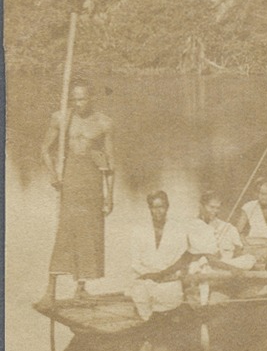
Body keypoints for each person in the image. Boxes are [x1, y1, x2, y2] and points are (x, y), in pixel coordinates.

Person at [41, 79, 114, 301]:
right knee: (65, 233)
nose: (78, 103)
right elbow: (45, 149)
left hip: (92, 184)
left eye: (82, 98)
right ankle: (50, 290)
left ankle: (80, 287)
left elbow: (110, 163)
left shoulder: (104, 123)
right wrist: (54, 174)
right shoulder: (61, 118)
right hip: (70, 182)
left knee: (89, 234)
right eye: (74, 98)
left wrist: (110, 196)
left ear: (91, 98)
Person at [128, 191, 189, 321]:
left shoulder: (178, 229)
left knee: (167, 311)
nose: (158, 211)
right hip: (145, 278)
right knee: (144, 308)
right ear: (150, 208)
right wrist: (150, 275)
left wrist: (163, 275)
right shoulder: (139, 230)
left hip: (168, 280)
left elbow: (182, 258)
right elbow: (135, 262)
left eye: (161, 207)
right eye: (154, 207)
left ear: (167, 207)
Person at [187, 191, 256, 272]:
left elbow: (238, 251)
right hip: (208, 265)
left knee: (250, 259)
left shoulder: (228, 227)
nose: (215, 211)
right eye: (211, 207)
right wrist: (234, 269)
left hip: (227, 264)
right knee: (200, 263)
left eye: (217, 208)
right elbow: (207, 257)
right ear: (201, 206)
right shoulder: (193, 226)